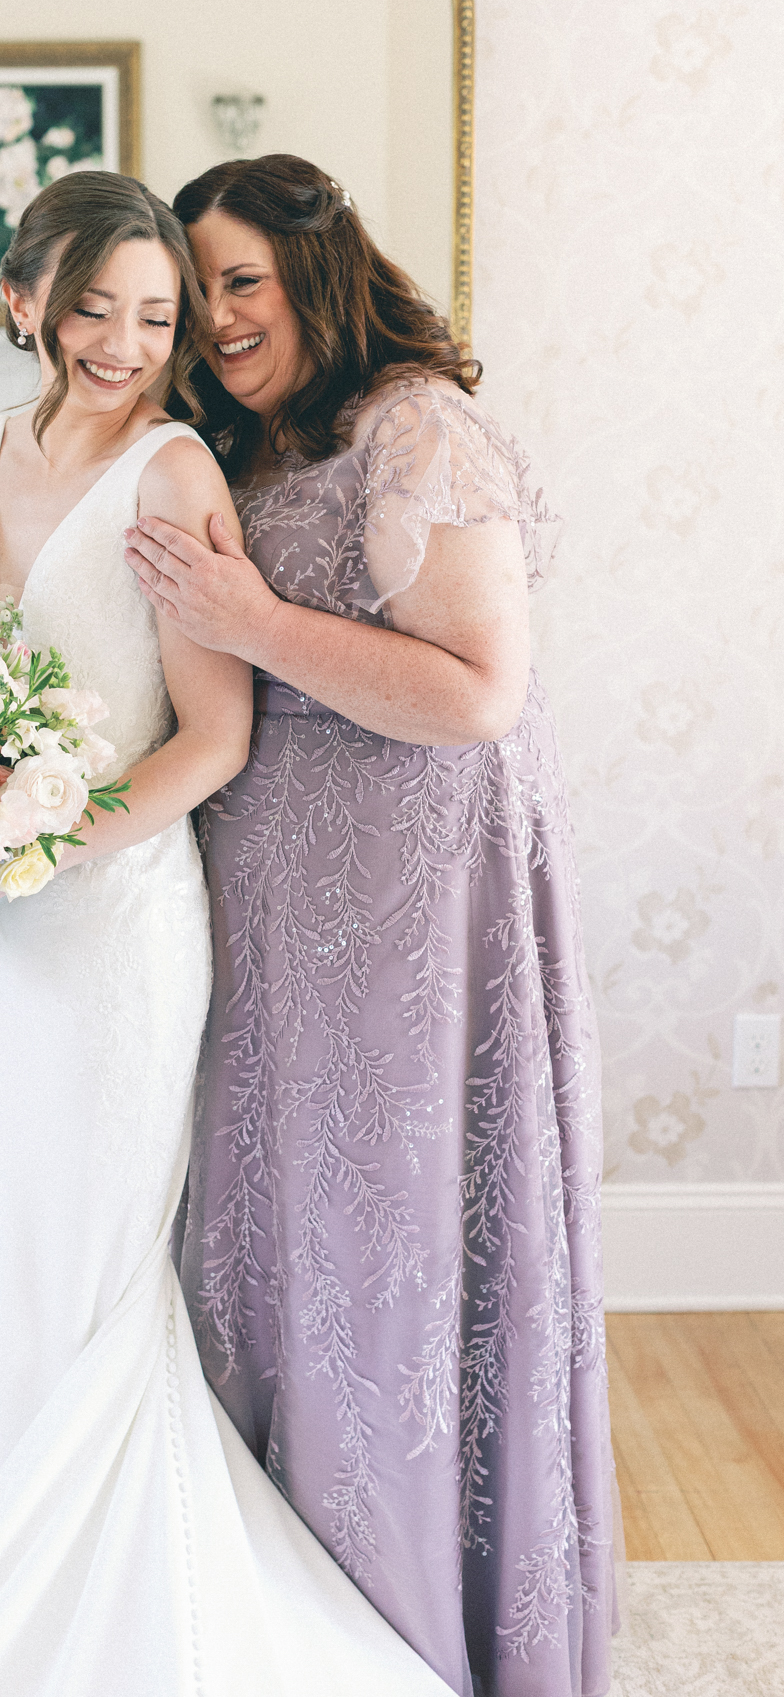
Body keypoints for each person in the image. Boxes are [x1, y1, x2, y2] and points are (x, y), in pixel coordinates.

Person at [0, 171, 453, 1695]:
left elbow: (211, 740)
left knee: (90, 1279)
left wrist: (26, 853)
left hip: (106, 939)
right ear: (23, 300)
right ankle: (8, 1590)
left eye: (158, 317)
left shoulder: (170, 476)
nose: (129, 343)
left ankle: (107, 1637)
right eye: (97, 308)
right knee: (7, 1270)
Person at [124, 154, 620, 1697]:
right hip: (283, 938)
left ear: (316, 271)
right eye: (197, 294)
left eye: (239, 282)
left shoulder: (420, 428)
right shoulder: (267, 446)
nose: (215, 320)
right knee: (284, 1257)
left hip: (410, 944)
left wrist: (250, 624)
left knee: (385, 1266)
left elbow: (479, 694)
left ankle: (403, 1642)